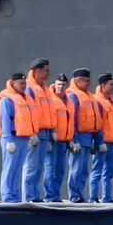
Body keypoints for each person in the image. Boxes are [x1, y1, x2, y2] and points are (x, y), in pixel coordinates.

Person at [0, 72, 35, 203]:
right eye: (21, 84)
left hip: (22, 137)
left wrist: (30, 136)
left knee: (17, 169)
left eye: (25, 83)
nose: (23, 86)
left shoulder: (25, 99)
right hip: (11, 137)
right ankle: (8, 197)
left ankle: (15, 196)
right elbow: (4, 119)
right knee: (9, 168)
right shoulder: (7, 99)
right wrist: (8, 139)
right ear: (13, 83)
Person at [64, 68, 102, 203]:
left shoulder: (89, 97)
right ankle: (74, 195)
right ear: (78, 81)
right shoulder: (73, 96)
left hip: (88, 138)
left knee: (83, 171)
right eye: (86, 81)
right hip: (78, 138)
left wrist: (97, 141)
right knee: (76, 168)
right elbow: (72, 120)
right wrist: (73, 140)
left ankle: (80, 193)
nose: (88, 84)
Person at [21, 58, 55, 202]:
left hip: (44, 132)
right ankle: (28, 197)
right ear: (37, 71)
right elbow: (28, 112)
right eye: (46, 70)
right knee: (31, 166)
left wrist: (51, 132)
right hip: (34, 132)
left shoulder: (44, 89)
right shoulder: (29, 88)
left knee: (39, 167)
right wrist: (31, 133)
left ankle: (35, 196)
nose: (48, 73)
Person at [90, 72, 113, 203]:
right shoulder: (97, 101)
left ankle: (107, 198)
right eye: (111, 84)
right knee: (97, 170)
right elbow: (97, 123)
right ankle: (93, 197)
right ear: (102, 85)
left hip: (112, 142)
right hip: (102, 142)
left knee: (109, 172)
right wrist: (99, 141)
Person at [43, 73, 73, 203]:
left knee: (60, 170)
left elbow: (71, 122)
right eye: (58, 84)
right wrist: (50, 136)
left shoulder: (69, 102)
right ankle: (50, 196)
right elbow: (47, 118)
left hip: (64, 141)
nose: (60, 87)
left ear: (67, 86)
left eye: (63, 85)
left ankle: (56, 195)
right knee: (50, 169)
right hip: (53, 140)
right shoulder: (50, 99)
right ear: (54, 85)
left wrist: (71, 139)